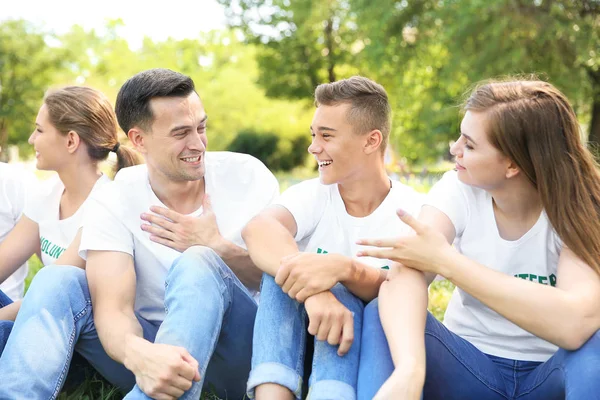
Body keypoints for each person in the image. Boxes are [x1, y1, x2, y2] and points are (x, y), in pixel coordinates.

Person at [0, 68, 279, 400]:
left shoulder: (247, 177)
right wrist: (140, 354)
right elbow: (113, 310)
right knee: (55, 279)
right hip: (149, 351)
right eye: (181, 133)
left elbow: (285, 282)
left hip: (237, 355)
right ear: (139, 140)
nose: (198, 143)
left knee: (198, 261)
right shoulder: (114, 199)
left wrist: (218, 248)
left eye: (201, 127)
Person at [357, 79, 600, 400]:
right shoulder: (458, 188)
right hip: (470, 368)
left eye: (470, 145)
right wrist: (410, 369)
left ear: (512, 163)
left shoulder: (581, 205)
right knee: (381, 313)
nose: (454, 149)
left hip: (550, 376)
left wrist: (447, 262)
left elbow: (575, 323)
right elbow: (404, 277)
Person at [242, 76, 424, 400]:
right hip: (295, 341)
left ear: (371, 141)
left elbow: (401, 292)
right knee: (282, 273)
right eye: (314, 134)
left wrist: (345, 270)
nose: (313, 147)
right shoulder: (315, 195)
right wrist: (316, 293)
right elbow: (257, 229)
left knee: (350, 291)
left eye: (326, 135)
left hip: (360, 353)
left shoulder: (414, 211)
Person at [0, 86, 141, 351]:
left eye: (40, 130)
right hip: (46, 315)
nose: (32, 139)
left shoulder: (105, 206)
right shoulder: (48, 193)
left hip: (82, 337)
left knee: (3, 331)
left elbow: (46, 297)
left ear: (71, 141)